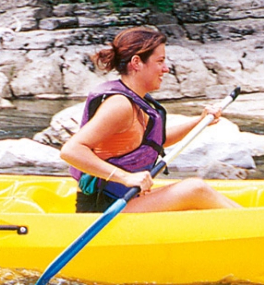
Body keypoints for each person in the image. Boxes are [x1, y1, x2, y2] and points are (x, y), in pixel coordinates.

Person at [60, 27, 241, 213]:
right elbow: (71, 150)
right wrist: (125, 177)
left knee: (197, 191)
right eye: (160, 61)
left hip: (128, 200)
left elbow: (155, 142)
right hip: (104, 209)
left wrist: (200, 121)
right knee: (195, 189)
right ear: (137, 62)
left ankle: (255, 221)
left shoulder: (137, 101)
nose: (166, 68)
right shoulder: (119, 105)